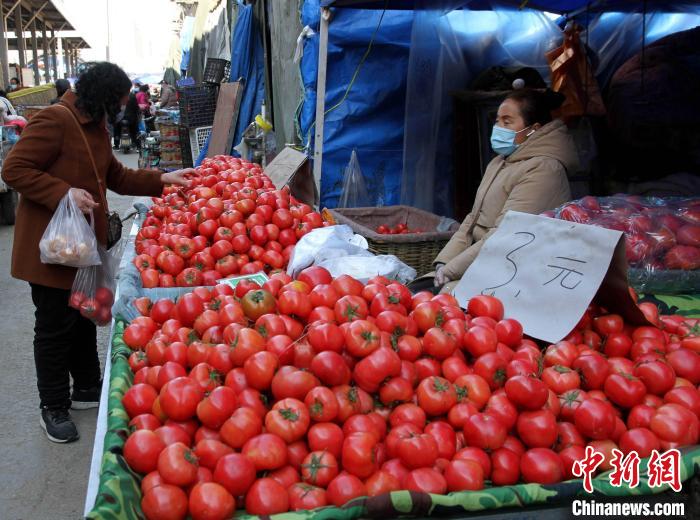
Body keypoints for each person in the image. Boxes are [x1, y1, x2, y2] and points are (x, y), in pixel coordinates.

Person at [0, 62, 193, 444]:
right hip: (54, 247)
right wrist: (63, 192)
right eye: (118, 102)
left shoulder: (97, 128)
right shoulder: (55, 120)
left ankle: (87, 387)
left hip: (86, 246)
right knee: (54, 326)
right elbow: (13, 168)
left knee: (86, 313)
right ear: (103, 97)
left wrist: (161, 180)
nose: (122, 109)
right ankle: (52, 407)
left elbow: (116, 176)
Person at [432, 89, 576, 292]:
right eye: (497, 121)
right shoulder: (500, 162)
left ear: (533, 129)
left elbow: (507, 234)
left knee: (441, 301)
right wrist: (444, 262)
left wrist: (452, 270)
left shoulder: (544, 169)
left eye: (507, 122)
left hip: (516, 270)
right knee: (421, 292)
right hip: (484, 261)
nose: (498, 128)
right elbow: (473, 219)